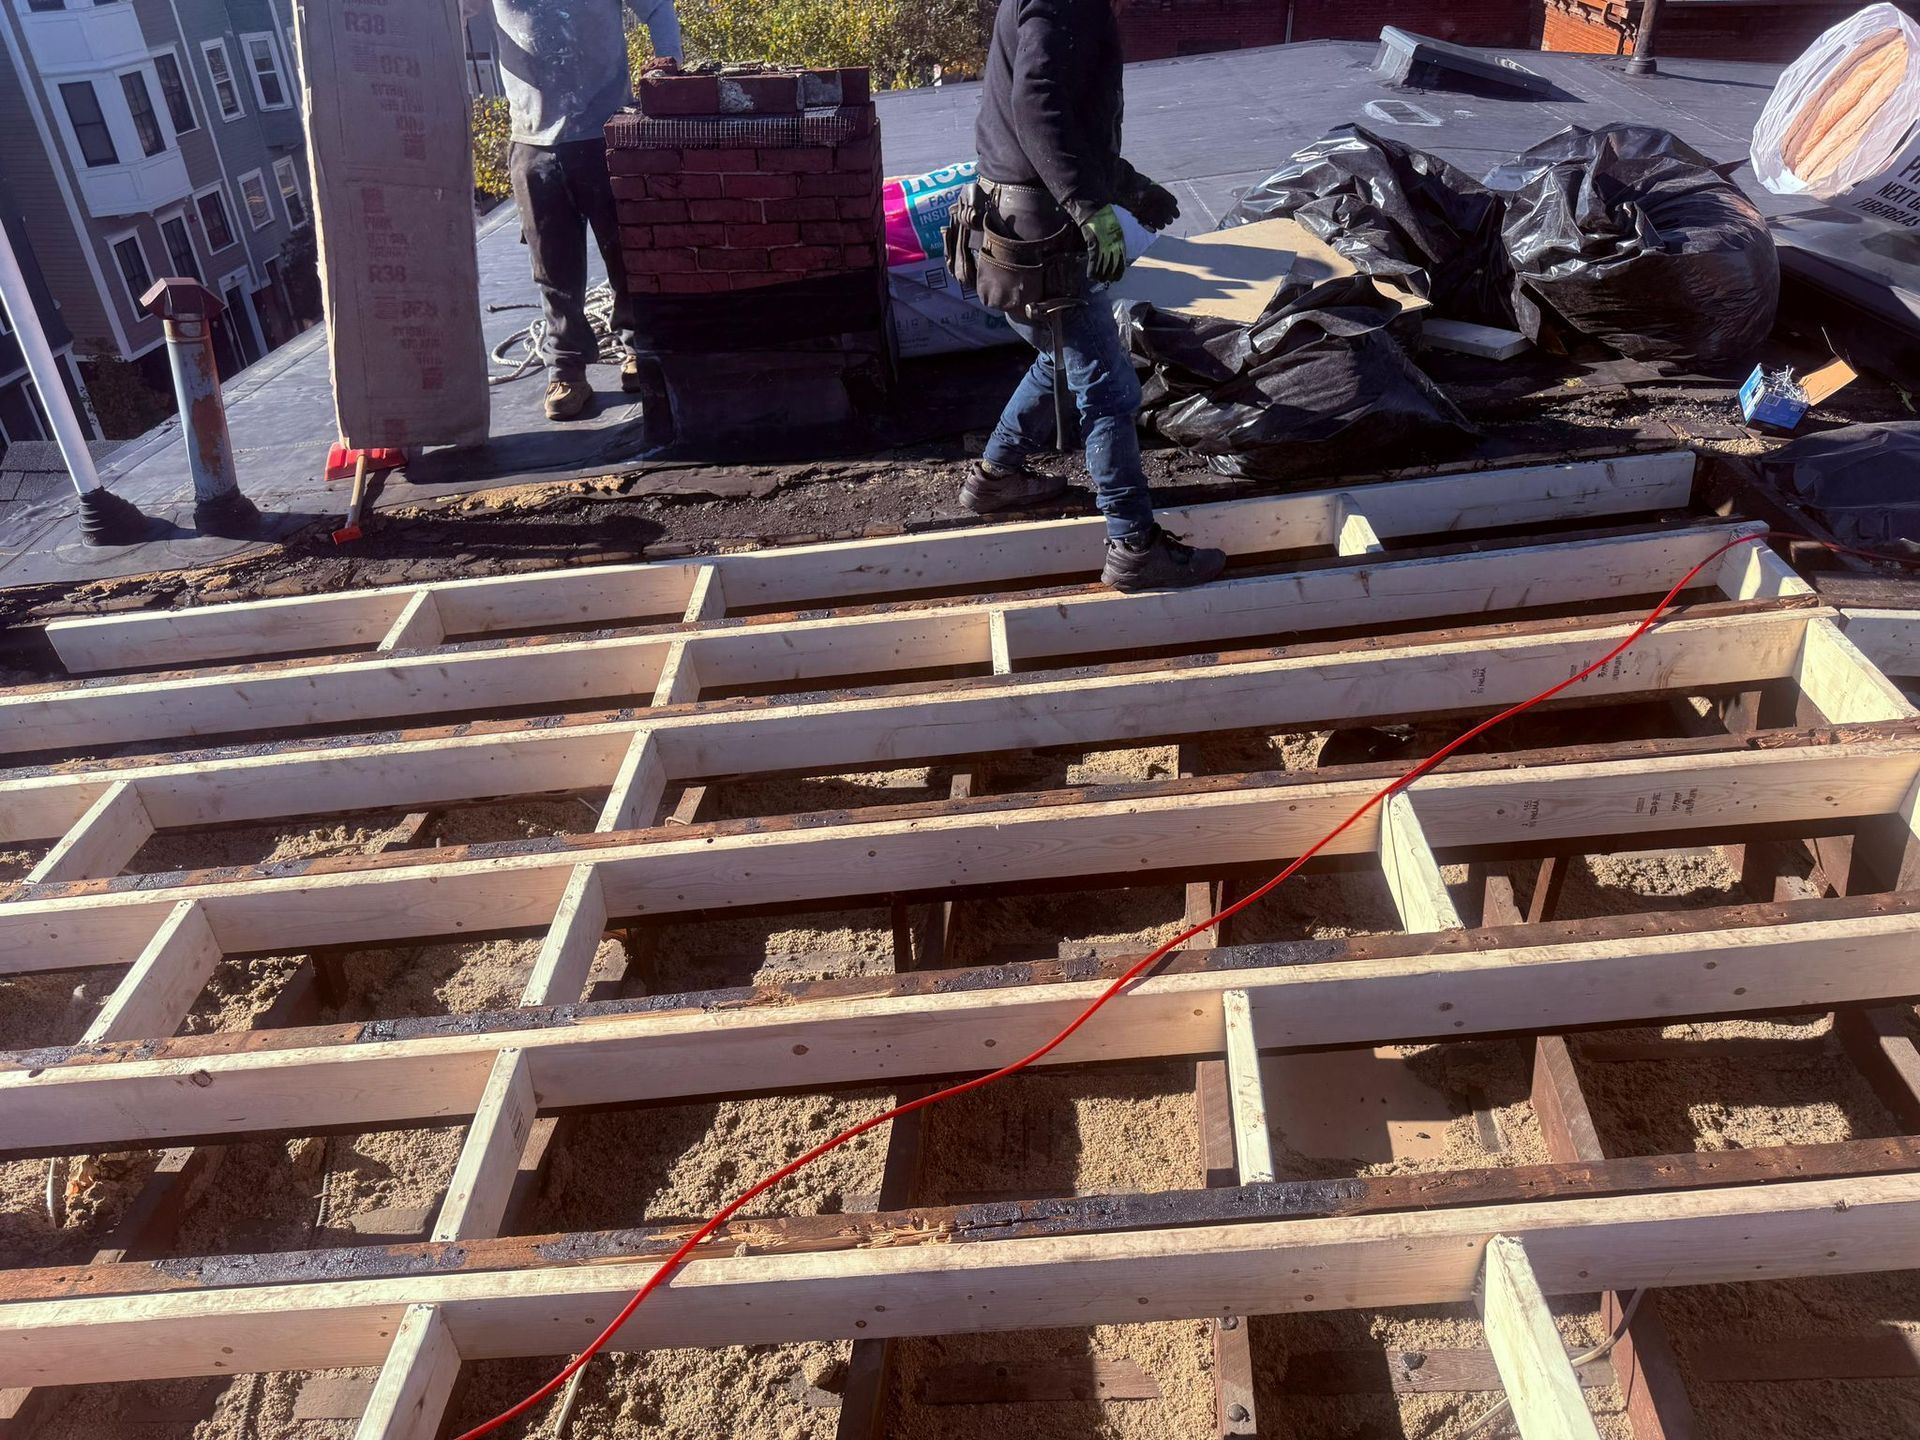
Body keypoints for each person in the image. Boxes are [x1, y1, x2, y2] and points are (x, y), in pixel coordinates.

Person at [968, 0, 1225, 591]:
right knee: (1109, 388)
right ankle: (1133, 545)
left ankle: (996, 476)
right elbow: (1037, 107)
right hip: (1044, 229)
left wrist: (1127, 185)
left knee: (1065, 355)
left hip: (1018, 214)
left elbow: (1067, 118)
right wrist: (1089, 207)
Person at [484, 0, 683, 421]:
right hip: (534, 140)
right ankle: (568, 369)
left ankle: (637, 349)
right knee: (552, 267)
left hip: (605, 129)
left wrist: (669, 66)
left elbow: (657, 8)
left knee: (626, 253)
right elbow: (445, 21)